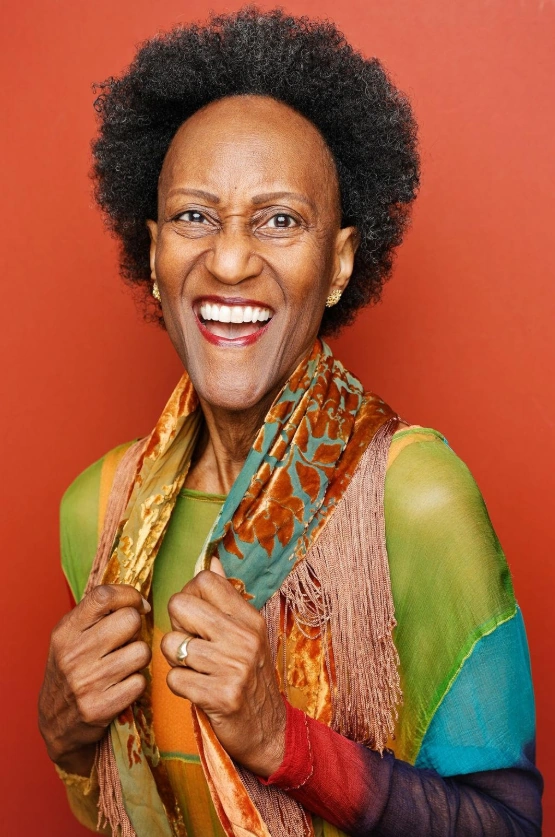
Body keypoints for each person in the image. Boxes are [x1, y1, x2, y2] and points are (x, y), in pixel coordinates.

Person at [38, 8, 542, 836]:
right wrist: (64, 735)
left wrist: (282, 740)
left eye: (279, 220)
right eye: (195, 216)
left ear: (337, 262)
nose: (230, 259)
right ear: (154, 253)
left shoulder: (413, 497)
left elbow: (506, 825)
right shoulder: (98, 512)